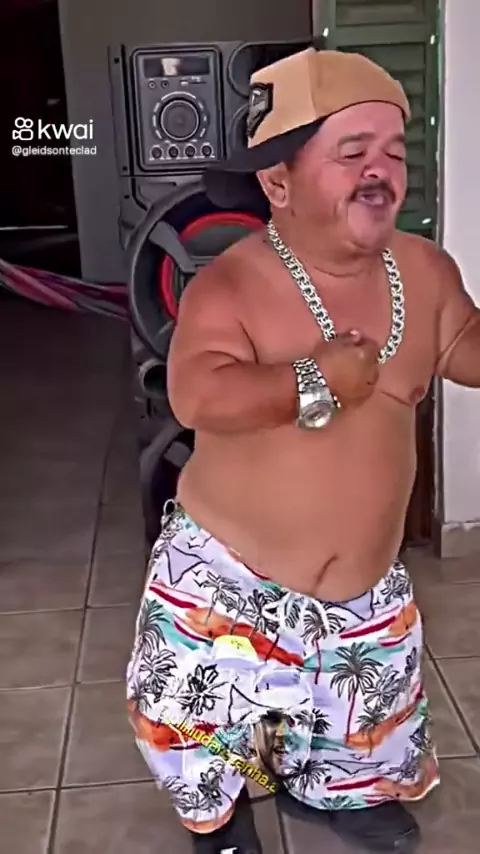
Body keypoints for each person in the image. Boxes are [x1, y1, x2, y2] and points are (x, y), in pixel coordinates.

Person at [127, 46, 480, 854]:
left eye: (393, 152)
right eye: (351, 154)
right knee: (196, 720)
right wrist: (310, 380)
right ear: (278, 184)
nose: (380, 171)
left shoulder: (424, 272)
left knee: (361, 718)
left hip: (364, 588)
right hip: (230, 581)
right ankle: (221, 821)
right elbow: (198, 395)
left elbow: (465, 345)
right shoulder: (234, 285)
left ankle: (342, 796)